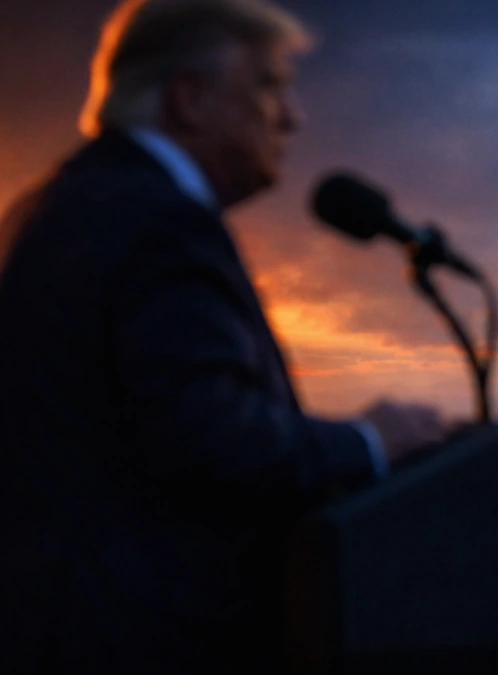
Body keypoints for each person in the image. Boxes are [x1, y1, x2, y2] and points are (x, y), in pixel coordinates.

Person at [0, 0, 442, 672]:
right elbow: (214, 444)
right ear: (191, 98)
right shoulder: (158, 223)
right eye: (269, 85)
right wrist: (371, 439)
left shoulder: (47, 210)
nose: (293, 116)